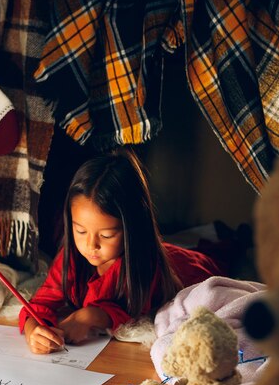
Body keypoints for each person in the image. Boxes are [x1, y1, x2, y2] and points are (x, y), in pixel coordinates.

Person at [19, 148, 226, 354]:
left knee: (221, 253)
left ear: (132, 229)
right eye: (80, 230)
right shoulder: (72, 255)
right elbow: (40, 303)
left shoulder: (143, 264)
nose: (91, 245)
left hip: (188, 265)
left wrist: (90, 316)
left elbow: (136, 314)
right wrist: (33, 329)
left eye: (107, 235)